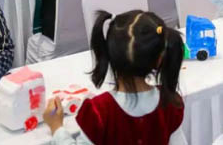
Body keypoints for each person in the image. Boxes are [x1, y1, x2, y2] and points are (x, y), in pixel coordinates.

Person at [43, 10, 186, 145]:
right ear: (159, 59)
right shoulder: (170, 103)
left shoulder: (98, 111)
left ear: (108, 52)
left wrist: (57, 128)